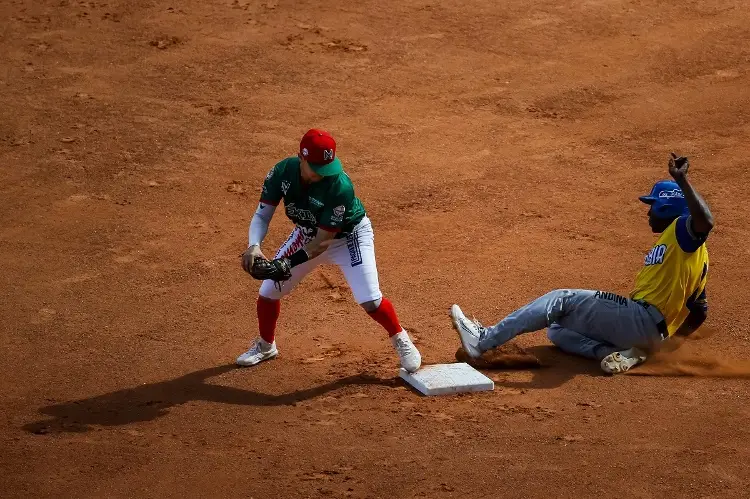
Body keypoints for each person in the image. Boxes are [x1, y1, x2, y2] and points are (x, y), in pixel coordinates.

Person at [450, 152, 713, 374]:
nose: (648, 211)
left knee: (561, 300)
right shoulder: (696, 257)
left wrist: (682, 180)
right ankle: (620, 354)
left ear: (668, 208)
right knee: (557, 329)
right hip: (649, 335)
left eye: (653, 205)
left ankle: (483, 341)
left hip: (639, 318)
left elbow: (706, 222)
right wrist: (664, 346)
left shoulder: (683, 231)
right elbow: (699, 310)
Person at [236, 128, 421, 372]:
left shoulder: (340, 186)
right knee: (268, 292)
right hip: (306, 234)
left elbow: (323, 241)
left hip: (349, 237)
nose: (324, 174)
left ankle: (400, 337)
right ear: (301, 158)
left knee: (370, 300)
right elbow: (262, 215)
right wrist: (254, 247)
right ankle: (265, 346)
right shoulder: (282, 172)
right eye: (317, 169)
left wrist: (286, 263)